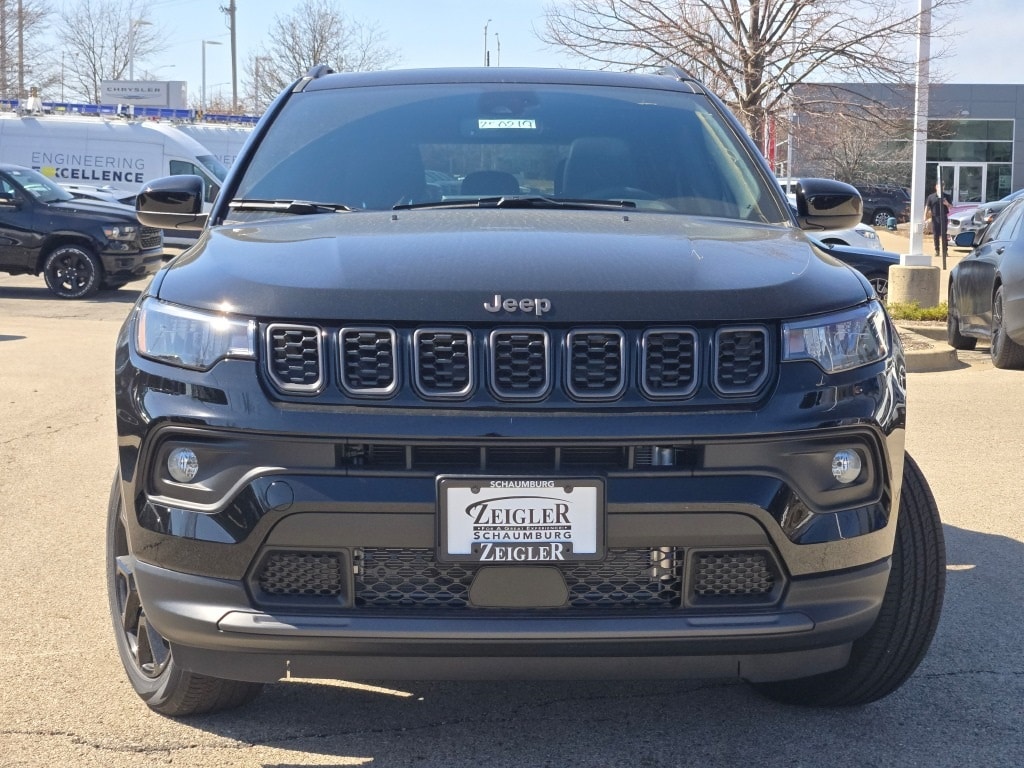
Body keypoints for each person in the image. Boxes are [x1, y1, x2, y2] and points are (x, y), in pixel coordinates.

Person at [924, 182, 952, 264]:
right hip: (935, 217)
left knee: (944, 234)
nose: (941, 188)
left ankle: (945, 251)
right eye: (939, 186)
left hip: (944, 217)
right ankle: (937, 250)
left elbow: (951, 207)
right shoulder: (931, 197)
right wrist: (925, 216)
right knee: (936, 234)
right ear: (936, 187)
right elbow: (927, 207)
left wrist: (946, 203)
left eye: (942, 187)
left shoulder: (947, 196)